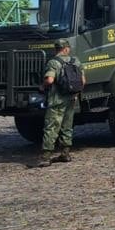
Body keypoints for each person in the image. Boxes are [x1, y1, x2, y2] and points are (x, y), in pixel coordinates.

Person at [31, 38, 84, 168]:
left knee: (51, 127)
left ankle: (46, 157)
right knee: (67, 126)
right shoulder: (75, 61)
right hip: (71, 98)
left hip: (57, 100)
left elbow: (49, 80)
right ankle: (65, 154)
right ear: (67, 48)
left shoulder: (53, 62)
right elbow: (83, 81)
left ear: (56, 49)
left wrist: (42, 87)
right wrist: (75, 93)